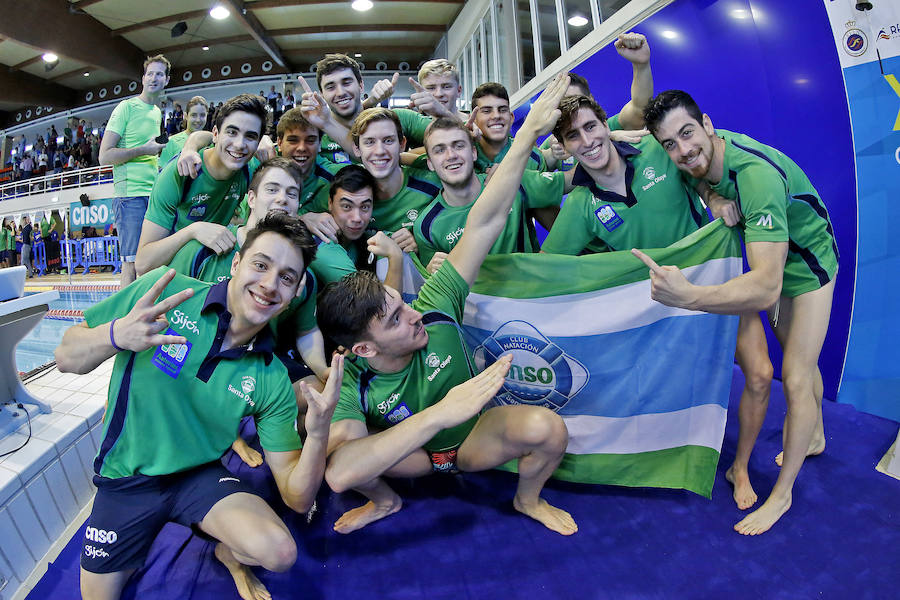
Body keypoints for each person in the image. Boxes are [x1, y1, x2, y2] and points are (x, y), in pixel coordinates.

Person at [317, 74, 577, 536]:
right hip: (412, 459)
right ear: (365, 350)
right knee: (349, 465)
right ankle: (386, 502)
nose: (415, 314)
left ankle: (527, 498)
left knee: (549, 430)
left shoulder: (436, 303)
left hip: (475, 440)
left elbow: (485, 221)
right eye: (396, 319)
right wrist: (441, 412)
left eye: (402, 304)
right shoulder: (352, 378)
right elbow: (339, 473)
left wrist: (529, 135)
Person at [54, 213, 345, 600]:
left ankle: (228, 553)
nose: (269, 284)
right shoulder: (167, 296)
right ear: (237, 263)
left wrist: (320, 430)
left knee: (279, 552)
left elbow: (297, 496)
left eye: (287, 278)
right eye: (261, 265)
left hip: (198, 477)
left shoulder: (270, 375)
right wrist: (115, 335)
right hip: (126, 481)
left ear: (295, 293)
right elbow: (66, 356)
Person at [637, 89, 838, 536]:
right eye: (670, 144)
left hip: (808, 267)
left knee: (798, 374)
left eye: (688, 134)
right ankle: (817, 437)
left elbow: (765, 288)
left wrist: (690, 297)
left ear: (708, 124)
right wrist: (710, 195)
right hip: (779, 262)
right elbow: (687, 166)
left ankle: (782, 496)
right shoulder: (698, 158)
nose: (683, 150)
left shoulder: (755, 176)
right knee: (794, 356)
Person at [540, 95, 707, 256]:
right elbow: (545, 265)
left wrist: (713, 198)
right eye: (573, 135)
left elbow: (707, 161)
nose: (587, 141)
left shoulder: (656, 147)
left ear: (606, 126)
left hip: (711, 264)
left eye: (590, 127)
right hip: (660, 284)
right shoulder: (578, 204)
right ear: (564, 147)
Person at [134, 94, 267, 277]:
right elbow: (142, 264)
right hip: (169, 278)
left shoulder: (250, 171)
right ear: (215, 133)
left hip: (205, 269)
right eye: (231, 132)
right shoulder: (179, 174)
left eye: (250, 136)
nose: (239, 144)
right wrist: (193, 231)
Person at [413, 116, 566, 272]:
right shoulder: (426, 226)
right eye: (439, 150)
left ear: (473, 153)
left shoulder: (511, 182)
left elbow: (570, 182)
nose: (451, 155)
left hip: (529, 292)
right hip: (474, 297)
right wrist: (431, 272)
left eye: (458, 146)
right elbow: (436, 287)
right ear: (430, 163)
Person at [99, 54, 170, 286]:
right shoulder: (126, 108)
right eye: (150, 73)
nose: (154, 78)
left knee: (151, 264)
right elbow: (104, 156)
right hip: (130, 197)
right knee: (130, 264)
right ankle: (124, 320)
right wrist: (144, 150)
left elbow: (152, 154)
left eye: (159, 74)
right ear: (143, 78)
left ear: (166, 80)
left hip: (153, 196)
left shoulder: (157, 112)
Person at [541, 32, 654, 172]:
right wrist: (551, 156)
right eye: (564, 104)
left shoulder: (610, 126)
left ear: (591, 100)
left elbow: (640, 108)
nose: (571, 110)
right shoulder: (553, 142)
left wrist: (641, 65)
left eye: (578, 102)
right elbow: (529, 175)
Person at [312, 54, 449, 164]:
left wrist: (396, 156)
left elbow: (456, 141)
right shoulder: (315, 134)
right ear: (322, 93)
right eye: (330, 87)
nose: (340, 92)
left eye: (346, 82)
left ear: (361, 86)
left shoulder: (400, 118)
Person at [346, 108, 442, 251]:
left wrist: (422, 240)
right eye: (369, 142)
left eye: (388, 140)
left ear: (402, 144)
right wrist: (308, 218)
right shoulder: (346, 192)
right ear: (357, 149)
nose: (379, 151)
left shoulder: (434, 185)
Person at [307, 164, 404, 289]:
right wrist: (395, 256)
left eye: (364, 207)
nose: (357, 218)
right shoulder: (321, 245)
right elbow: (380, 307)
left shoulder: (365, 239)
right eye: (347, 206)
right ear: (330, 203)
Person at [158, 96, 210, 168]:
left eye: (202, 115)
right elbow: (162, 172)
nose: (198, 120)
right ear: (186, 116)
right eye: (194, 115)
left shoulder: (210, 142)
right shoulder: (172, 142)